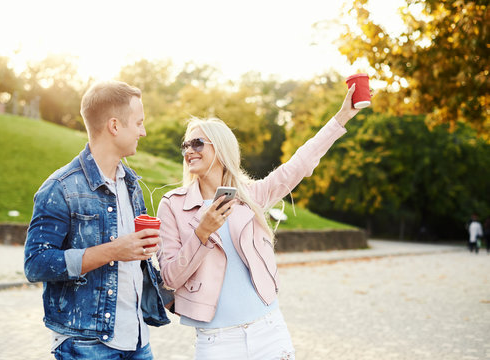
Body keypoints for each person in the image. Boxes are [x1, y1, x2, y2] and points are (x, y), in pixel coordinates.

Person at [156, 84, 361, 359]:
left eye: (198, 143)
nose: (189, 150)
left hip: (268, 331)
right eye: (186, 145)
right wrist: (202, 233)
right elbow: (169, 276)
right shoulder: (172, 205)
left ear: (221, 148)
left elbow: (300, 163)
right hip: (216, 342)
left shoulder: (250, 197)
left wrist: (342, 117)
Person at [24, 80, 171, 360]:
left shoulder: (131, 184)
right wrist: (113, 251)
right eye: (138, 123)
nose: (144, 131)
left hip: (137, 340)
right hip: (86, 345)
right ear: (115, 126)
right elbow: (36, 265)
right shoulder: (60, 187)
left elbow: (133, 262)